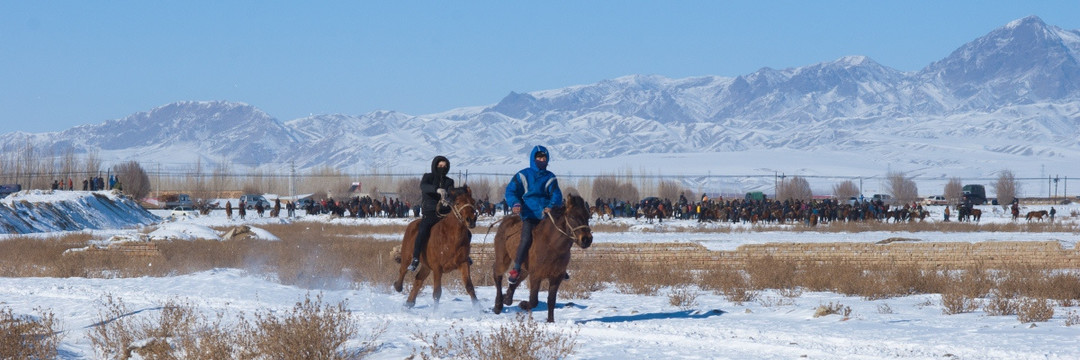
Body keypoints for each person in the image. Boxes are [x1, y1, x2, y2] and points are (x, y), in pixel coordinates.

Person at [504, 145, 563, 285]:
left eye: (544, 158)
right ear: (533, 158)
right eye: (539, 157)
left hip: (546, 215)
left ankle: (561, 268)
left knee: (560, 237)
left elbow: (556, 194)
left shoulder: (550, 177)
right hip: (529, 214)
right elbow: (510, 191)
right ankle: (516, 268)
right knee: (525, 239)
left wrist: (551, 206)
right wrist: (516, 204)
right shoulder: (523, 175)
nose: (541, 160)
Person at [407, 155, 455, 272]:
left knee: (464, 231)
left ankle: (463, 255)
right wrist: (436, 189)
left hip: (445, 213)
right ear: (435, 165)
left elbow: (451, 192)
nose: (442, 168)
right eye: (440, 165)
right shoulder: (427, 177)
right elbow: (424, 187)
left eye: (445, 166)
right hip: (430, 212)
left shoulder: (449, 181)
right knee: (422, 231)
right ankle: (416, 258)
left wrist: (448, 199)